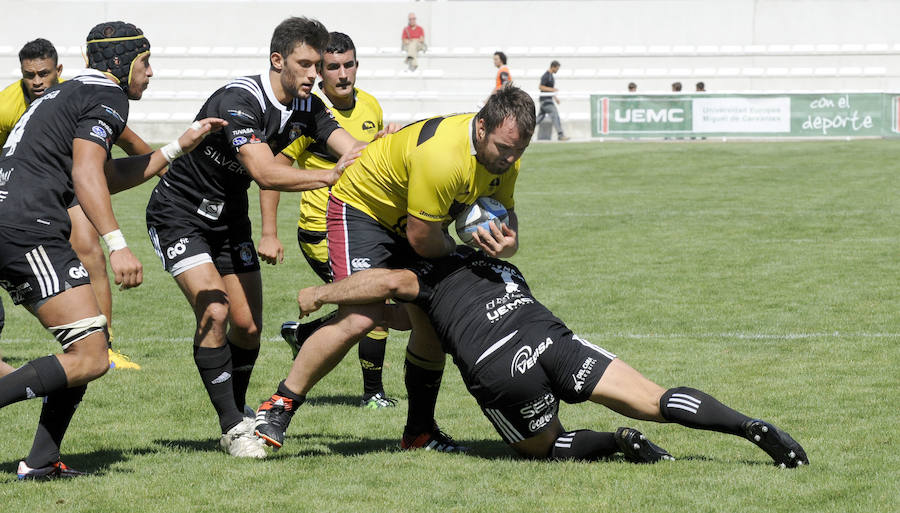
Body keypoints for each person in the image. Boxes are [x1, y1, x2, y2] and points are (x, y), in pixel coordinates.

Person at [291, 245, 810, 467]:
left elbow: (391, 284)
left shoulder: (418, 274)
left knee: (543, 448)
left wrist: (324, 294)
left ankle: (617, 442)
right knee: (654, 398)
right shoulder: (490, 259)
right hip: (548, 336)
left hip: (502, 367)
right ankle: (751, 428)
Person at [254, 85, 536, 454]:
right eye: (504, 148)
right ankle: (279, 405)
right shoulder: (443, 157)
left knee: (430, 320)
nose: (510, 158)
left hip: (413, 218)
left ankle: (419, 432)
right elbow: (423, 240)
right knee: (362, 316)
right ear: (481, 127)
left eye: (519, 150)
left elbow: (503, 208)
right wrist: (459, 252)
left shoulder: (505, 157)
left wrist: (508, 241)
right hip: (364, 205)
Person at [0, 20, 224, 479]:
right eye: (145, 62)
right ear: (122, 64)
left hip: (15, 218)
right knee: (91, 356)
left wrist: (177, 147)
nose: (150, 72)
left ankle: (41, 461)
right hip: (27, 226)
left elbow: (100, 175)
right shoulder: (108, 95)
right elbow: (86, 175)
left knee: (89, 347)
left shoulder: (68, 91)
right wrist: (117, 245)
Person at [145, 17, 368, 459]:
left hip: (230, 219)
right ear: (277, 60)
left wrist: (386, 150)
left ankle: (237, 412)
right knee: (214, 312)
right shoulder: (240, 99)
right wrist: (328, 176)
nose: (313, 74)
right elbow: (264, 172)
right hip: (179, 214)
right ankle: (232, 427)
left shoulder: (309, 106)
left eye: (317, 65)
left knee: (247, 327)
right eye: (304, 64)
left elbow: (351, 148)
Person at [257, 32, 398, 410]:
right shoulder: (309, 114)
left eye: (348, 64)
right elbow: (272, 172)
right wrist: (269, 232)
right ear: (320, 72)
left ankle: (303, 333)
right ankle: (373, 394)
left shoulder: (370, 105)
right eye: (332, 67)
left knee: (372, 303)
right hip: (322, 230)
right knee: (372, 301)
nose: (342, 74)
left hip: (364, 225)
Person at [0, 38, 151, 370]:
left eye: (44, 73)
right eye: (30, 75)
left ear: (59, 71)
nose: (37, 81)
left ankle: (104, 342)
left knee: (88, 249)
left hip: (70, 184)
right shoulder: (6, 105)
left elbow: (126, 137)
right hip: (22, 194)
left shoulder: (76, 93)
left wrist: (165, 164)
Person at [536, 60, 569, 142]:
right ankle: (560, 135)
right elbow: (541, 87)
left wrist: (555, 98)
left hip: (547, 100)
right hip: (546, 101)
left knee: (539, 118)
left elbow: (549, 90)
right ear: (553, 67)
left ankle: (525, 131)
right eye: (557, 68)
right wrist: (552, 89)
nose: (557, 70)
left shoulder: (551, 76)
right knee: (555, 115)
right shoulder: (546, 75)